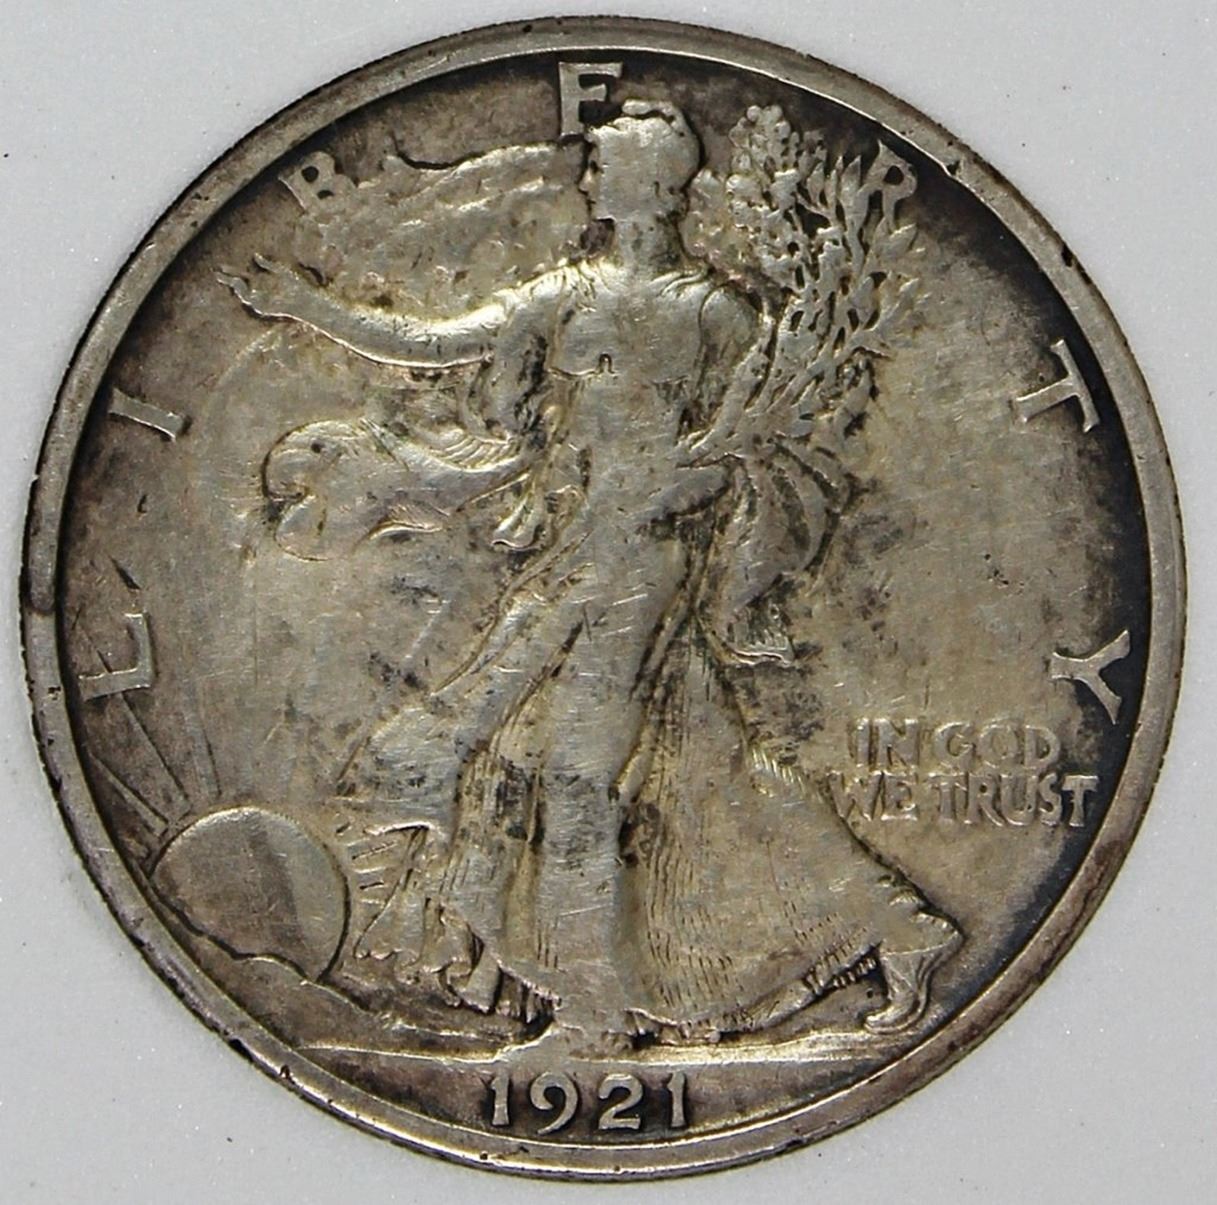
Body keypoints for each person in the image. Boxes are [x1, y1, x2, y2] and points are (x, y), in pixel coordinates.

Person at [223, 100, 960, 1047]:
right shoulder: (564, 294)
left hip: (644, 565)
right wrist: (310, 310)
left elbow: (770, 450)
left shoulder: (715, 315)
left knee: (575, 780)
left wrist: (686, 485)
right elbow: (438, 341)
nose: (588, 179)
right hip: (575, 555)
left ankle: (593, 1013)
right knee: (702, 769)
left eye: (605, 167)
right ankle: (897, 925)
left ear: (652, 186)